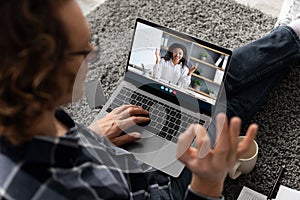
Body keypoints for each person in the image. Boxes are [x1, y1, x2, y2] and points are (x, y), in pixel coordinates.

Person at [0, 1, 299, 200]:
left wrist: (90, 138)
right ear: (39, 74)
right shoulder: (69, 191)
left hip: (118, 157)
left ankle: (288, 40)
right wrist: (208, 181)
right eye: (83, 50)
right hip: (163, 190)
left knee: (214, 92)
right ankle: (289, 37)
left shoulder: (23, 117)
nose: (93, 54)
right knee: (221, 106)